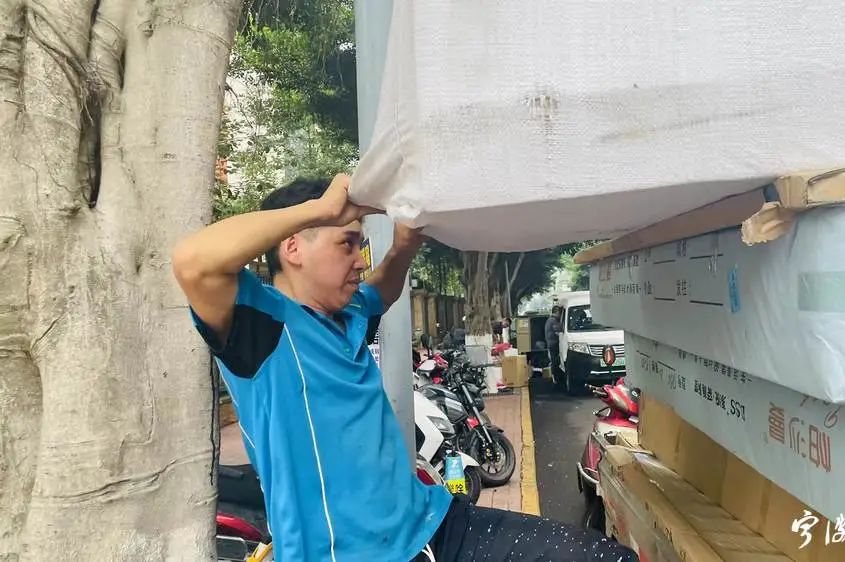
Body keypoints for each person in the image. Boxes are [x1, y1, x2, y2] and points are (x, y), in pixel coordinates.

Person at [172, 175, 636, 562]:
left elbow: (383, 289)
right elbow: (192, 262)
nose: (360, 262)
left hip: (436, 523)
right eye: (347, 244)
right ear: (293, 247)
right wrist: (320, 209)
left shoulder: (349, 314)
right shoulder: (260, 326)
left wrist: (404, 246)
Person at [545, 306, 563, 380]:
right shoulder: (553, 320)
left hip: (551, 343)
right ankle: (556, 378)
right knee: (555, 362)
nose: (560, 315)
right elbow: (558, 330)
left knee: (554, 361)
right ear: (556, 312)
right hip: (554, 344)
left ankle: (555, 377)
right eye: (560, 313)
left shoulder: (549, 320)